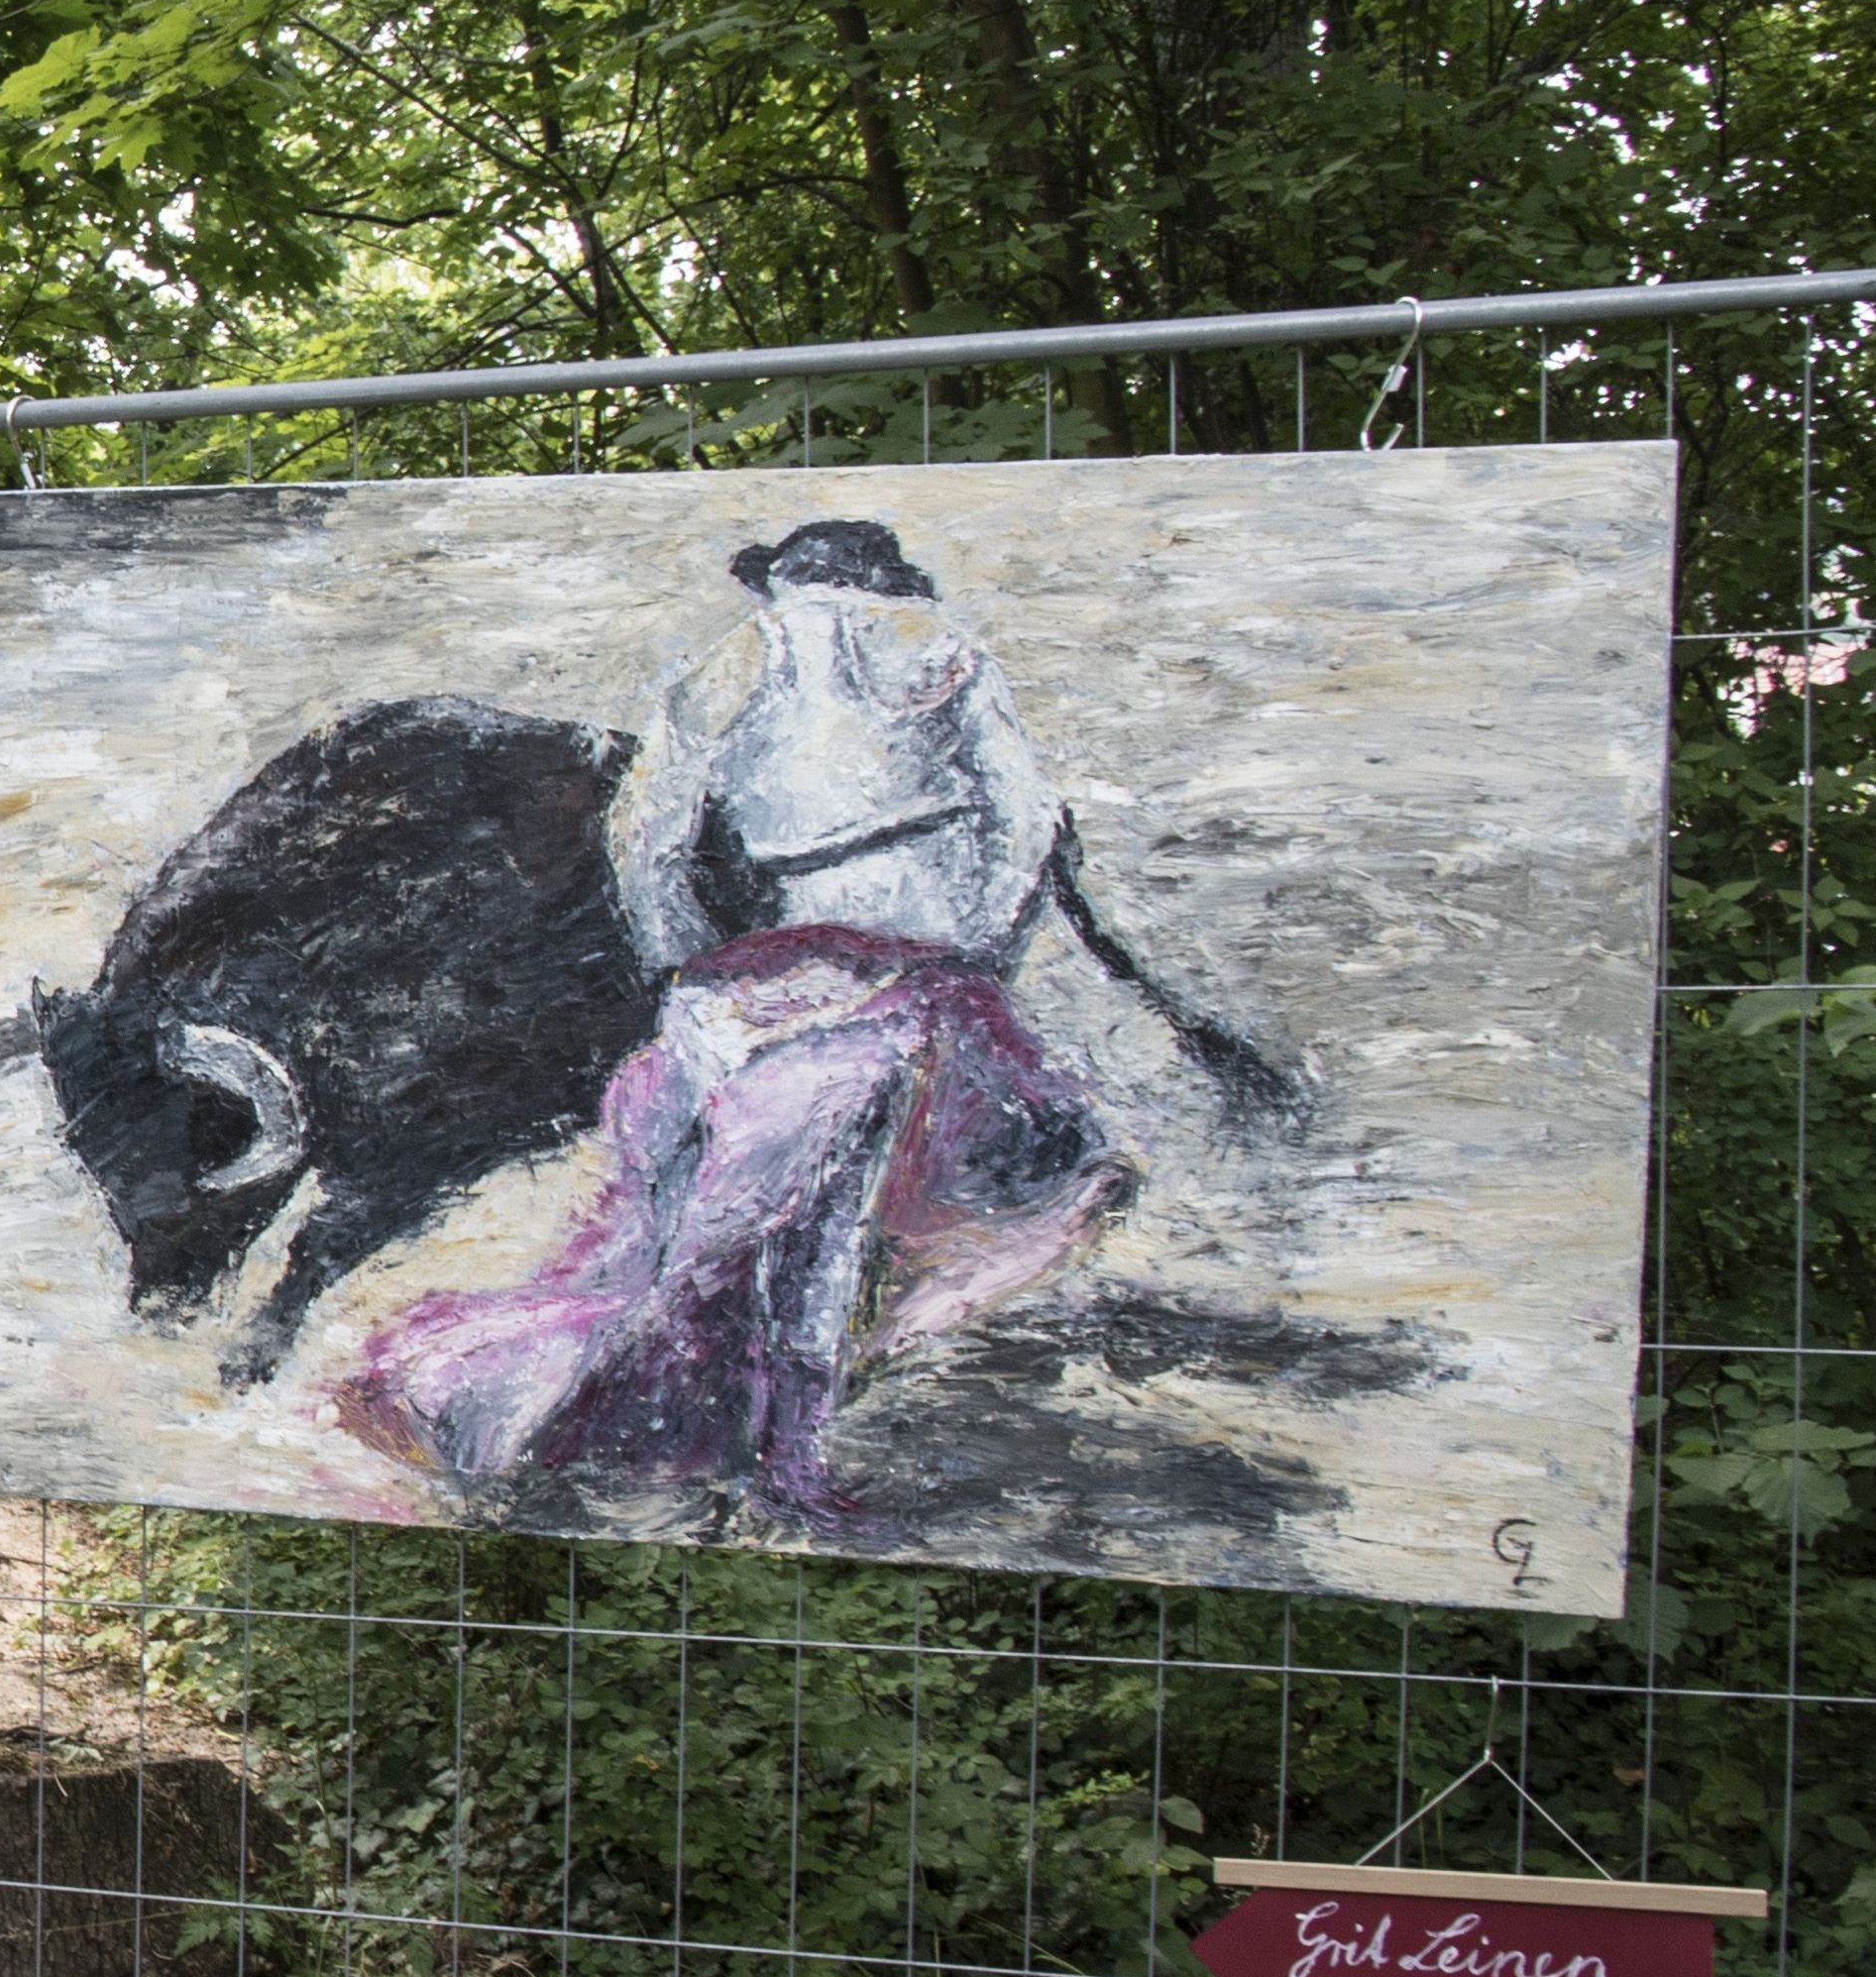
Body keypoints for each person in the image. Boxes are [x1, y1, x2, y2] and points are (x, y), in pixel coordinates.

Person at [334, 519, 1305, 1528]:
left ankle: (661, 1436)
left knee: (680, 1236)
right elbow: (1024, 820)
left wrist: (697, 962)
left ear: (783, 582)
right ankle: (786, 1466)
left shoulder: (727, 664)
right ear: (877, 576)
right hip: (904, 967)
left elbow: (647, 837)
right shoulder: (933, 645)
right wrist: (974, 945)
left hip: (749, 985)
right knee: (993, 1182)